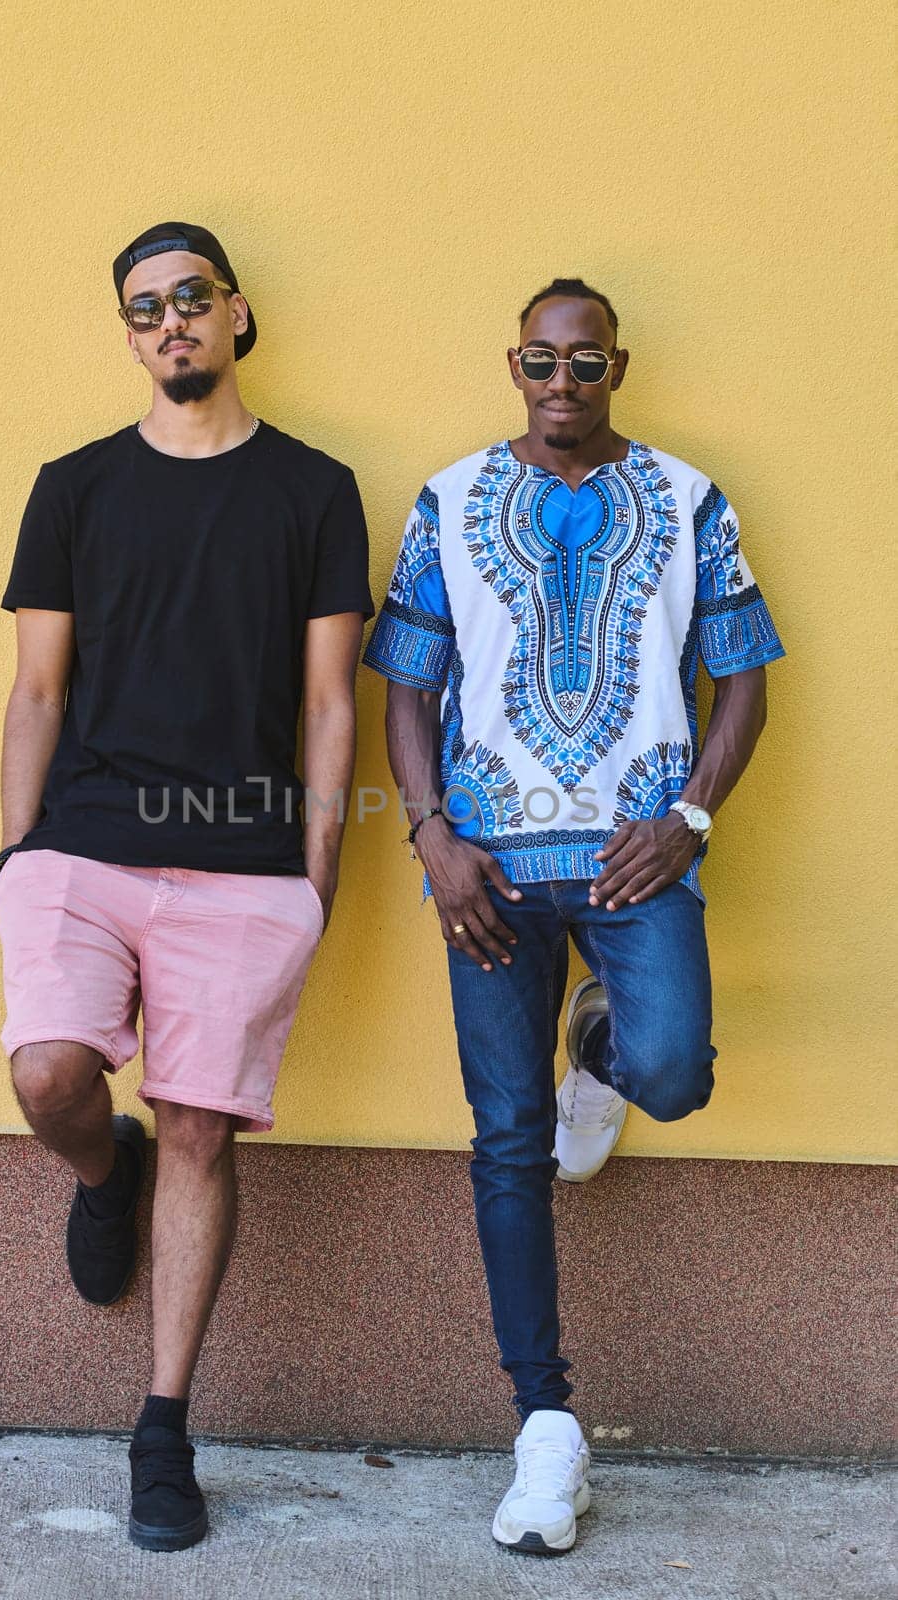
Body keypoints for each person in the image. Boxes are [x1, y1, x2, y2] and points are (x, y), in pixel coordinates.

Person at [363, 277, 784, 1556]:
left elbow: (743, 679)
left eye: (584, 362)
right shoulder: (445, 500)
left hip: (627, 864)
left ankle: (602, 1047)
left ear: (616, 368)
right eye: (538, 361)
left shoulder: (685, 498)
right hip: (486, 872)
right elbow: (402, 687)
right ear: (513, 365)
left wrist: (691, 820)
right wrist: (430, 838)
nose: (560, 382)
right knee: (505, 1139)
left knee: (673, 1071)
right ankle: (544, 1429)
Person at [0, 221, 373, 1552]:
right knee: (48, 1071)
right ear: (132, 331)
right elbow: (36, 688)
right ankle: (106, 1174)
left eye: (190, 299)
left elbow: (332, 704)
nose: (170, 325)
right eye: (144, 309)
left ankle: (163, 1432)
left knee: (201, 1128)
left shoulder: (314, 492)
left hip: (246, 858)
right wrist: (16, 849)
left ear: (236, 313)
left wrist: (317, 874)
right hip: (82, 841)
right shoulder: (75, 487)